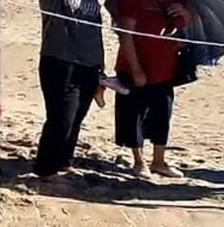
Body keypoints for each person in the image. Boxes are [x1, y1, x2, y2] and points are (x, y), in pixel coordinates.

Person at [113, 0, 192, 179]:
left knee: (162, 115)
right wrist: (136, 70)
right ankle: (138, 162)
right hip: (136, 67)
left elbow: (186, 28)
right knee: (134, 116)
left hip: (165, 70)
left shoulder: (177, 1)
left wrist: (183, 13)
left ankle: (159, 161)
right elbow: (125, 35)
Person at [34, 0, 104, 178]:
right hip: (60, 61)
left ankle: (64, 161)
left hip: (90, 63)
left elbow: (97, 30)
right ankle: (46, 168)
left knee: (77, 116)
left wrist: (101, 66)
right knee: (62, 117)